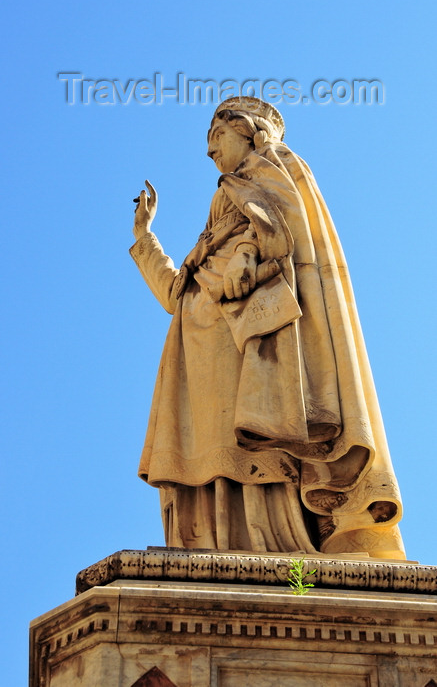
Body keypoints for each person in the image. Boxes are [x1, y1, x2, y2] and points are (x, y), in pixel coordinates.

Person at [130, 97, 405, 559]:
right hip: (196, 350)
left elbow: (282, 229)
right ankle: (211, 542)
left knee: (254, 436)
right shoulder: (222, 207)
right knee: (205, 450)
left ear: (247, 130)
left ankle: (270, 539)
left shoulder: (275, 163)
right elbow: (176, 295)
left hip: (245, 341)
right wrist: (145, 239)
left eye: (216, 137)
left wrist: (248, 254)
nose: (209, 152)